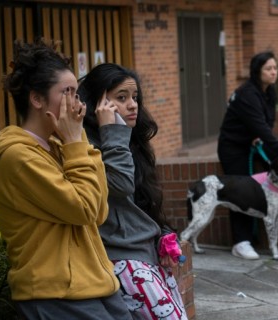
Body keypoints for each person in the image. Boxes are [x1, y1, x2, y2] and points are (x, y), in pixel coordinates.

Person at [0, 39, 131, 319]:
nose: (77, 103)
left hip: (94, 284)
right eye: (68, 92)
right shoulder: (17, 158)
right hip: (56, 293)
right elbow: (83, 208)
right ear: (37, 99)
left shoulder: (60, 146)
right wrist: (75, 142)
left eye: (77, 93)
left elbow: (98, 212)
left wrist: (77, 140)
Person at [78, 63, 188, 320]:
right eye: (121, 97)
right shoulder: (86, 145)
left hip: (146, 255)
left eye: (135, 97)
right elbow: (119, 185)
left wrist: (163, 234)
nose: (133, 105)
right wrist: (112, 133)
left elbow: (140, 202)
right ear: (97, 104)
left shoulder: (130, 140)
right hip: (119, 258)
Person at [217, 51, 278, 260]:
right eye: (268, 69)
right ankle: (241, 242)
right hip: (233, 148)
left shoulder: (269, 91)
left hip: (251, 144)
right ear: (257, 72)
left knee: (265, 184)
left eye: (275, 68)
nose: (273, 72)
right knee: (240, 191)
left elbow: (266, 124)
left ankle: (267, 223)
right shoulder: (248, 94)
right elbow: (261, 127)